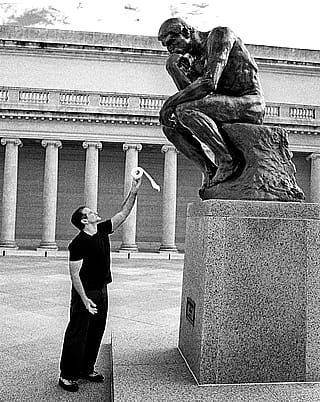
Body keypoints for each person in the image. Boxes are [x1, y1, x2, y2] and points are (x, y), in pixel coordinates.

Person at [158, 18, 265, 187]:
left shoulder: (220, 35)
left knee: (184, 110)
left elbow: (209, 83)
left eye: (172, 42)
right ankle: (210, 171)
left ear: (186, 32)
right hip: (224, 105)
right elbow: (194, 97)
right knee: (170, 126)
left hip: (249, 102)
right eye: (167, 47)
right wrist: (174, 70)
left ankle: (228, 160)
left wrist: (169, 104)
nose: (171, 49)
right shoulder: (196, 59)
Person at [58, 176, 142, 392]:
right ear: (84, 221)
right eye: (91, 213)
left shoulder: (103, 229)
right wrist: (84, 300)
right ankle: (67, 376)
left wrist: (133, 191)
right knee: (77, 332)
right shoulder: (77, 244)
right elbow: (74, 275)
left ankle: (87, 368)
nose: (96, 212)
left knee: (96, 330)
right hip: (85, 294)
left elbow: (123, 213)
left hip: (101, 290)